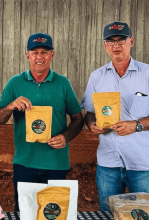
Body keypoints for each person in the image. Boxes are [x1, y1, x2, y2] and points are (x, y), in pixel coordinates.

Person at [0, 33, 83, 211]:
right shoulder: (15, 83)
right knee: (26, 212)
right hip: (24, 163)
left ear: (52, 55)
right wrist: (10, 106)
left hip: (56, 164)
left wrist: (65, 137)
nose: (39, 57)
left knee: (54, 213)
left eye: (44, 52)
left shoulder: (63, 83)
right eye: (35, 52)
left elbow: (78, 118)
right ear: (27, 55)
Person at [81, 21, 149, 211]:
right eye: (111, 41)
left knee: (145, 213)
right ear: (105, 45)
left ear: (132, 42)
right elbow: (89, 112)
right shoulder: (97, 76)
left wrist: (136, 125)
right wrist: (92, 125)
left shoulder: (147, 74)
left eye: (121, 40)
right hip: (108, 163)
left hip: (142, 164)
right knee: (108, 214)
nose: (116, 46)